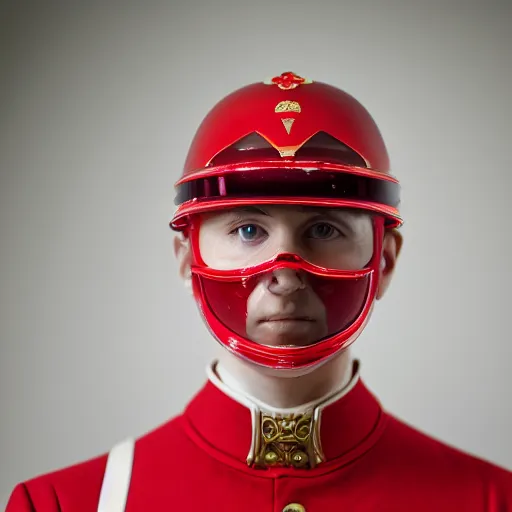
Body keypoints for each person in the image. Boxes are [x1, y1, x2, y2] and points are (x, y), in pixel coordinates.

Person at [6, 71, 512, 511]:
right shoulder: (63, 505)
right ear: (187, 257)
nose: (286, 275)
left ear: (385, 259)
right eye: (248, 230)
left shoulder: (492, 501)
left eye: (324, 229)